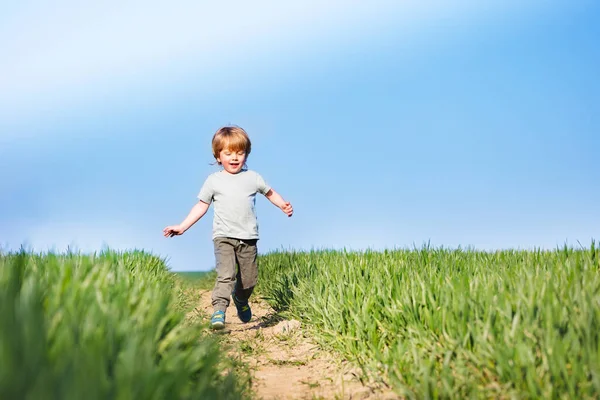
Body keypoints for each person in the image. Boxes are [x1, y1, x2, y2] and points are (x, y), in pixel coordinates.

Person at [163, 126, 293, 329]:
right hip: (223, 237)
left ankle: (240, 299)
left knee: (249, 280)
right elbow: (201, 206)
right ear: (218, 156)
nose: (234, 158)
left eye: (240, 153)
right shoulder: (214, 181)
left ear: (246, 154)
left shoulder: (253, 178)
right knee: (226, 275)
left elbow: (270, 193)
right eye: (228, 153)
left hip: (248, 237)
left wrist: (283, 204)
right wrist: (182, 226)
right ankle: (219, 311)